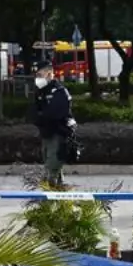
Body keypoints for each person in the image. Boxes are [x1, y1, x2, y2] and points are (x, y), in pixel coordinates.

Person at [32, 60, 74, 188]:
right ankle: (60, 201)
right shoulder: (41, 92)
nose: (38, 78)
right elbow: (34, 112)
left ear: (49, 74)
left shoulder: (59, 91)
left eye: (40, 75)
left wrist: (42, 117)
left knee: (50, 171)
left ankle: (50, 198)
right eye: (37, 75)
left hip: (58, 134)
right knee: (51, 166)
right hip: (46, 134)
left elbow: (55, 114)